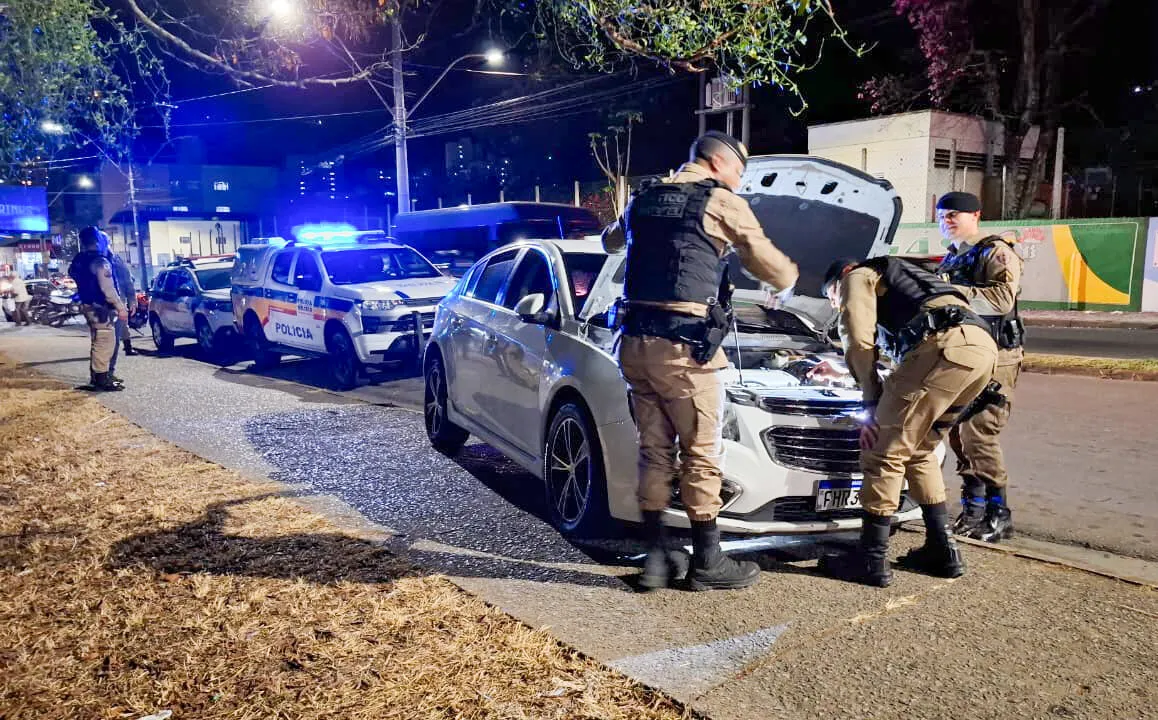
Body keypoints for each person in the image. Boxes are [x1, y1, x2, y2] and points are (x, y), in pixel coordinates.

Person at [602, 131, 799, 592]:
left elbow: (611, 241)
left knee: (654, 451)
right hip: (684, 352)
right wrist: (787, 281)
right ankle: (708, 561)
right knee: (701, 454)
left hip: (634, 344)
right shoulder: (720, 201)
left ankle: (655, 559)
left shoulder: (642, 198)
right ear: (718, 163)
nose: (740, 181)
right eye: (739, 172)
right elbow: (771, 265)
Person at [817, 255, 998, 587]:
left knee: (883, 451)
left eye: (830, 295)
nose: (833, 302)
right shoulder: (904, 279)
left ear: (839, 278)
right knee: (919, 449)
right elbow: (908, 358)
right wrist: (845, 372)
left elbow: (858, 338)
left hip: (944, 347)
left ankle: (870, 558)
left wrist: (871, 400)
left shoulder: (856, 276)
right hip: (980, 350)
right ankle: (942, 550)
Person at [935, 192, 1023, 543]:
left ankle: (999, 514)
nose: (947, 220)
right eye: (942, 215)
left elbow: (1001, 300)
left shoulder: (995, 252)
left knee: (979, 432)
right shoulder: (954, 255)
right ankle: (973, 509)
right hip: (966, 353)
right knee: (958, 433)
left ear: (976, 215)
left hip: (998, 355)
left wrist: (949, 290)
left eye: (954, 214)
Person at [68, 227, 127, 391]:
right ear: (97, 240)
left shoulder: (79, 260)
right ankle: (101, 379)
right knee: (105, 342)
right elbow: (108, 288)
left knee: (97, 340)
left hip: (87, 305)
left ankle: (97, 377)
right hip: (101, 308)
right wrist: (120, 307)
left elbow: (74, 274)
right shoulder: (100, 261)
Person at [105, 249, 139, 385]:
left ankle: (106, 373)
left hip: (113, 306)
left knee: (112, 339)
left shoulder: (114, 261)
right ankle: (104, 374)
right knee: (108, 341)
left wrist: (132, 300)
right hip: (108, 306)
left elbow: (127, 282)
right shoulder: (100, 260)